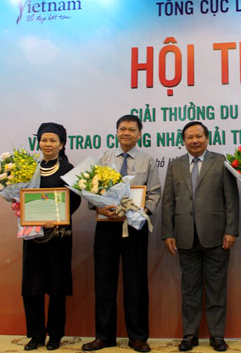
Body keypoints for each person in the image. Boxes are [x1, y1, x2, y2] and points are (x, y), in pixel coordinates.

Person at [81, 115, 161, 353]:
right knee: (103, 281)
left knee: (135, 282)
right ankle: (103, 336)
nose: (127, 133)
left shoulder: (148, 160)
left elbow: (154, 193)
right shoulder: (104, 158)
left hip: (134, 228)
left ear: (139, 134)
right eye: (122, 129)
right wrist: (98, 207)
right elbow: (90, 190)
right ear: (116, 132)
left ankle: (137, 337)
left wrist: (142, 211)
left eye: (132, 129)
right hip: (106, 226)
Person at [161, 121, 239, 352]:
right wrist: (167, 233)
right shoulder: (175, 165)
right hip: (185, 236)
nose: (194, 141)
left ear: (207, 138)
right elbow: (168, 201)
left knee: (217, 288)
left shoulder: (222, 161)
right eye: (189, 137)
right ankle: (189, 335)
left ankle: (217, 336)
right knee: (190, 289)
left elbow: (231, 200)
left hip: (217, 236)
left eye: (198, 136)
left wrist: (231, 230)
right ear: (183, 141)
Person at [22, 122, 82, 351]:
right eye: (44, 140)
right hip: (33, 236)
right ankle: (36, 335)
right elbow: (21, 197)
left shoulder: (68, 169)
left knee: (57, 287)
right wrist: (23, 209)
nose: (47, 144)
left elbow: (75, 199)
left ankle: (55, 335)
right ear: (38, 142)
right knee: (33, 287)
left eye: (53, 140)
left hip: (59, 236)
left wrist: (56, 216)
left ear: (62, 144)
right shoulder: (29, 169)